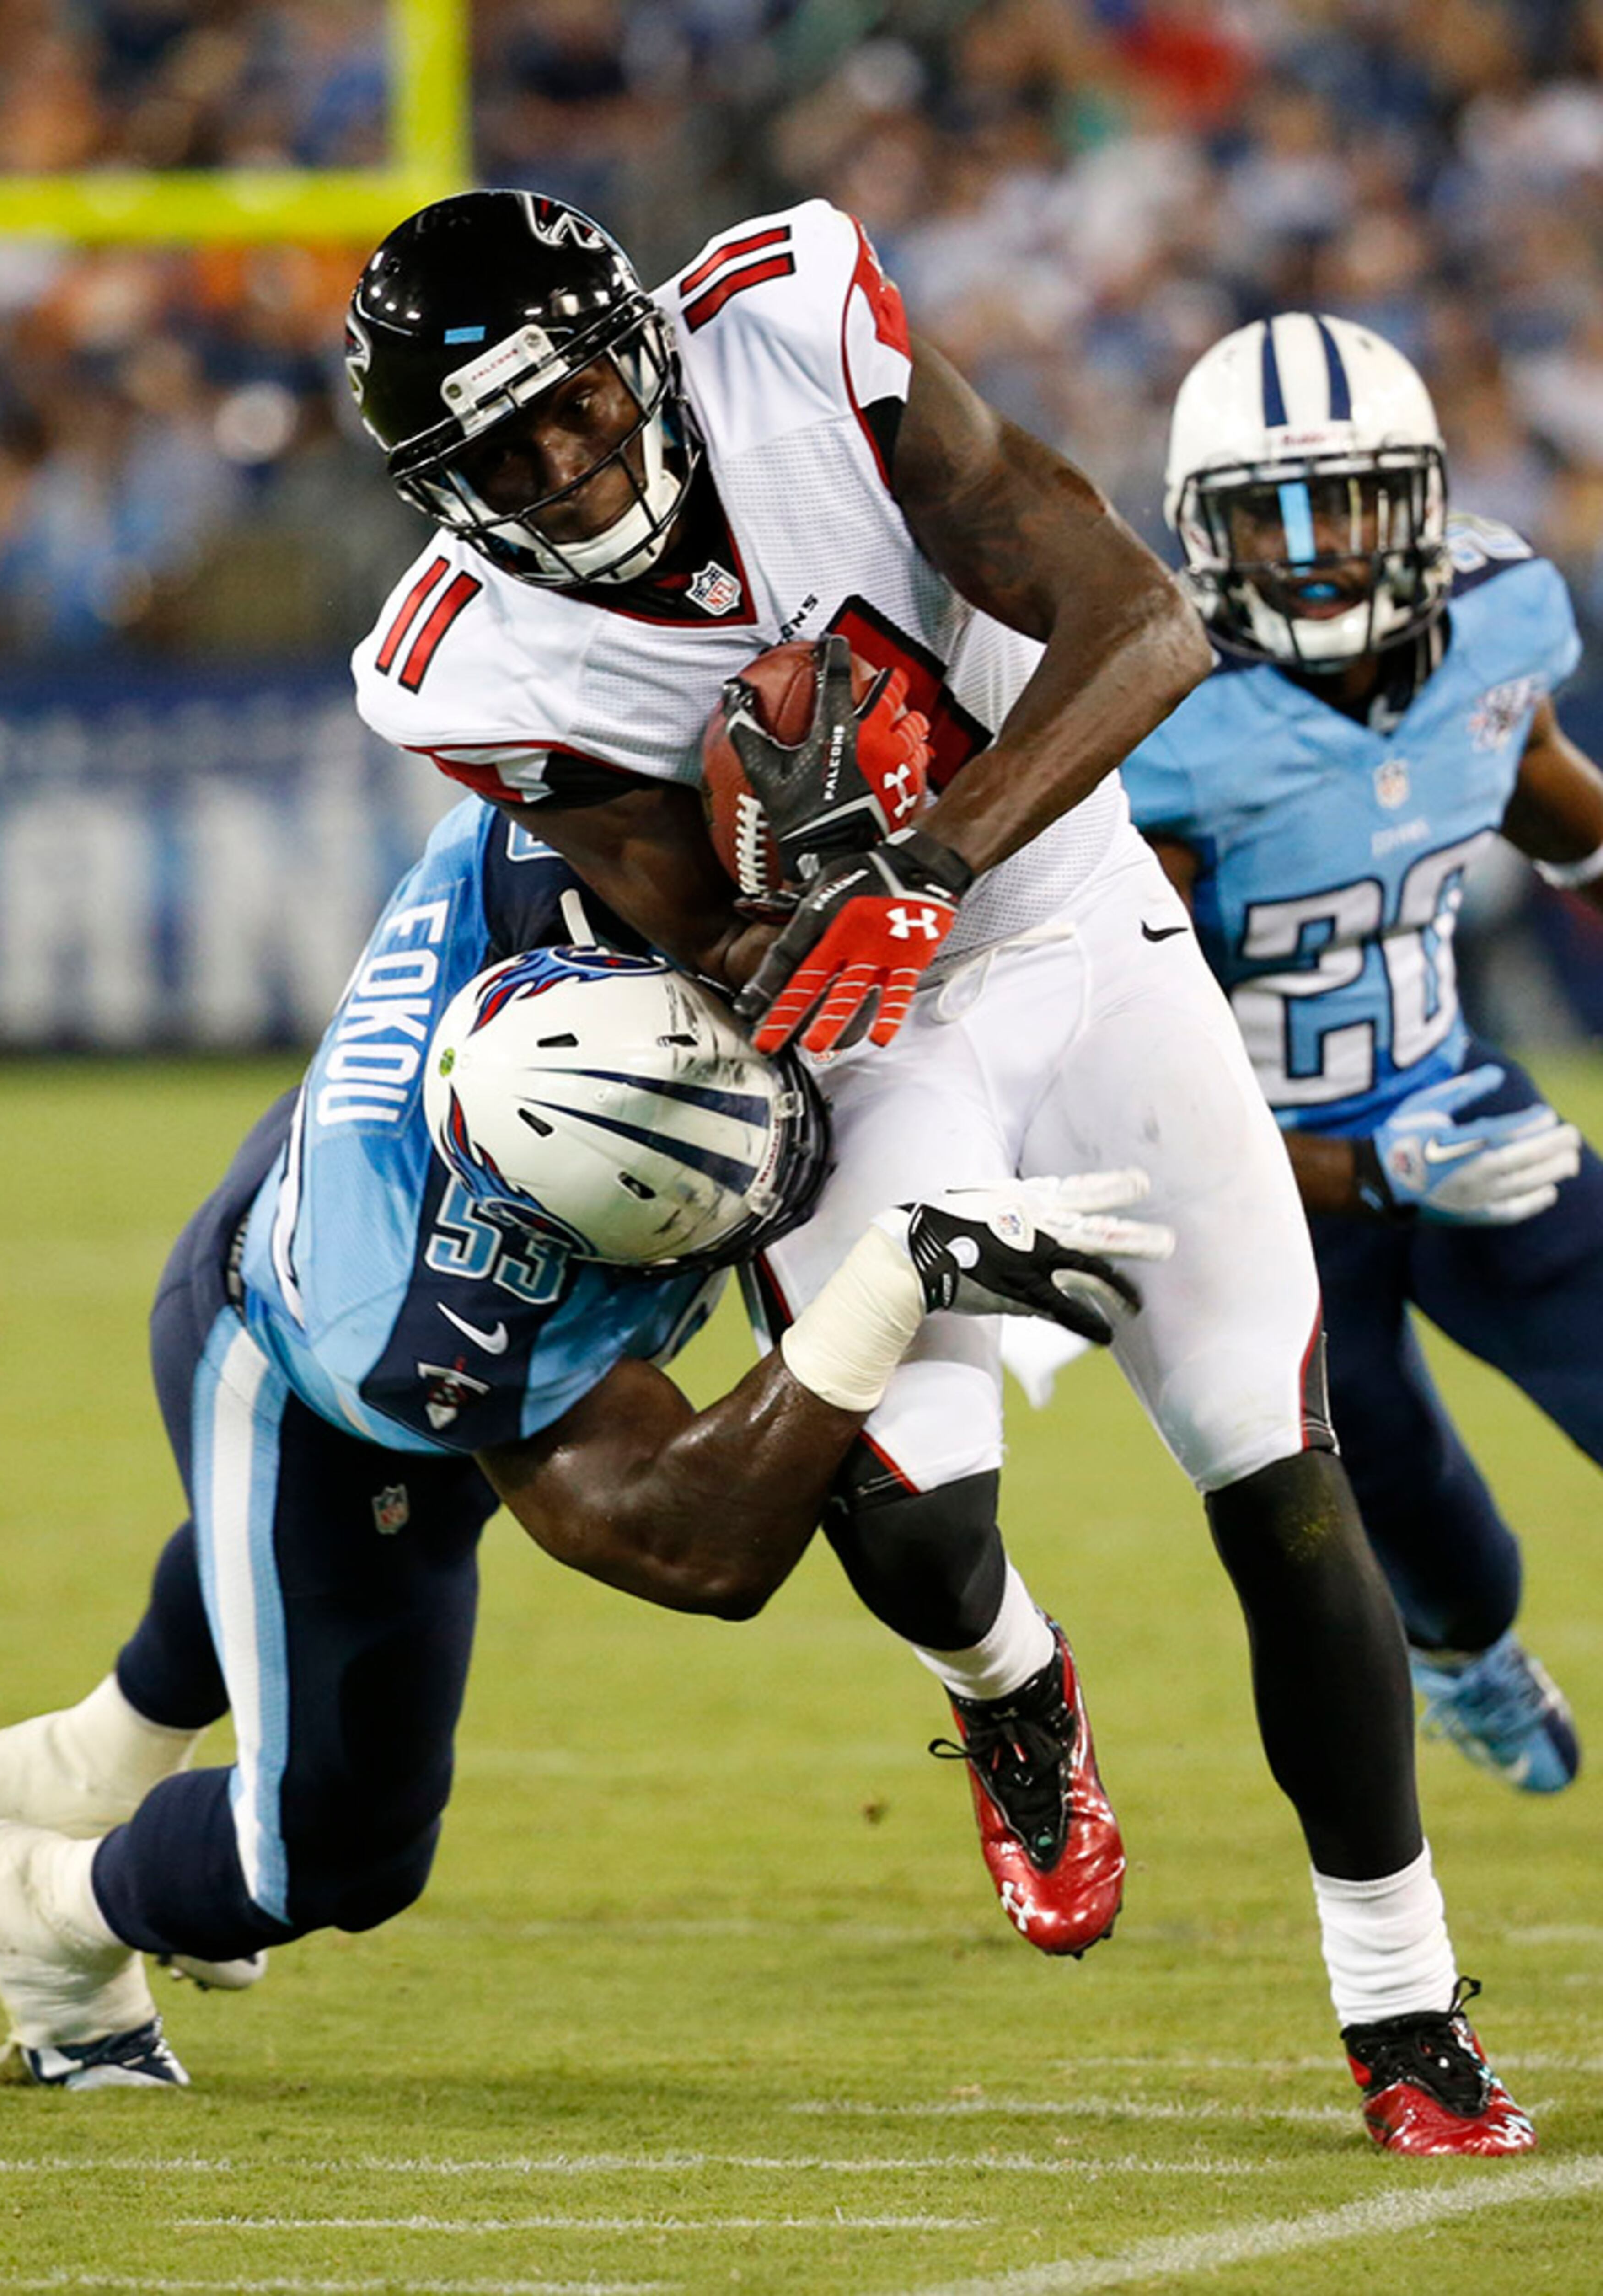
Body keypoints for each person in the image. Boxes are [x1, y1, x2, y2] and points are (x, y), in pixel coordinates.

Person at [338, 190, 1535, 2152]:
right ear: (440, 489)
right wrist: (794, 908)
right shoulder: (461, 658)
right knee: (901, 1525)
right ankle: (1010, 1680)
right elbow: (674, 921)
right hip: (859, 1016)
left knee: (1274, 1461)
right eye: (503, 450)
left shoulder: (793, 331)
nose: (567, 463)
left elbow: (1138, 621)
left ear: (636, 346)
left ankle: (1404, 2010)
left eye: (573, 404)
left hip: (1069, 907)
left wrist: (940, 850)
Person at [0, 797, 1166, 2091]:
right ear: (568, 1244)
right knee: (338, 1848)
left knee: (294, 1590)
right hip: (291, 1359)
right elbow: (691, 1547)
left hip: (385, 1173)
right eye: (705, 1197)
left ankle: (99, 1752)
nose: (780, 1165)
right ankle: (47, 1912)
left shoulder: (567, 870)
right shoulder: (432, 1327)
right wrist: (888, 1282)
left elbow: (601, 766)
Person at [1107, 310, 1603, 1797]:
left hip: (1456, 1104)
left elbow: (1542, 790)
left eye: (1355, 501)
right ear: (1203, 532)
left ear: (1428, 502)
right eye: (1275, 515)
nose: (1321, 549)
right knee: (1442, 1548)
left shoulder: (1503, 616)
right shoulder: (1160, 718)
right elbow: (1127, 1091)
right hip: (1259, 1203)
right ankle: (1466, 1659)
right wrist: (1369, 1169)